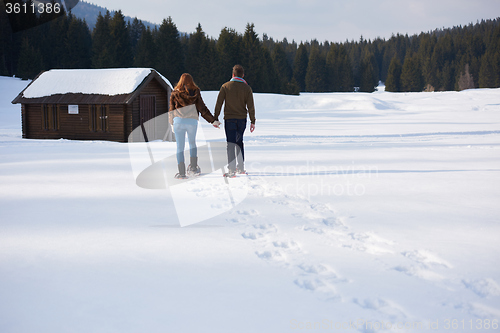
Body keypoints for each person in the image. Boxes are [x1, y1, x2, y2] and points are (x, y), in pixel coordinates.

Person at [169, 73, 220, 179]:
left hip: (178, 122)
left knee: (180, 147)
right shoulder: (196, 92)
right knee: (192, 143)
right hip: (192, 122)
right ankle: (193, 168)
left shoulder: (174, 93)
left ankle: (182, 173)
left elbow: (171, 110)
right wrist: (213, 121)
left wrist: (171, 123)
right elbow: (202, 108)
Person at [214, 64, 256, 177]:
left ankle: (232, 169)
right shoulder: (247, 88)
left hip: (229, 119)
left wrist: (215, 118)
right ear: (243, 75)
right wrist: (253, 121)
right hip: (242, 120)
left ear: (233, 74)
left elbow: (219, 103)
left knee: (231, 144)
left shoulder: (225, 86)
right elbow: (251, 106)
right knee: (239, 142)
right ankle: (241, 167)